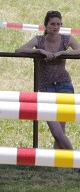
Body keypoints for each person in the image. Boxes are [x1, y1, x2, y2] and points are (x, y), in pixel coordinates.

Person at [16, 10, 80, 150]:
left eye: (58, 24)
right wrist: (39, 51)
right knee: (57, 132)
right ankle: (75, 161)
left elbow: (79, 50)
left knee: (60, 132)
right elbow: (19, 50)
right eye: (52, 24)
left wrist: (63, 52)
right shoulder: (39, 40)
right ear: (46, 25)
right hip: (45, 87)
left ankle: (56, 166)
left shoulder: (66, 39)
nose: (55, 27)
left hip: (64, 86)